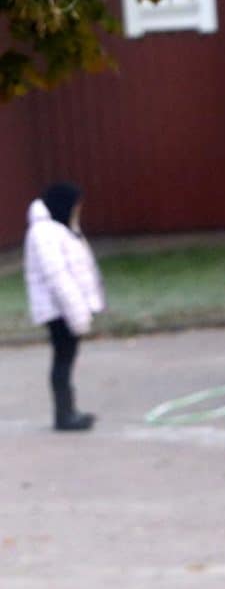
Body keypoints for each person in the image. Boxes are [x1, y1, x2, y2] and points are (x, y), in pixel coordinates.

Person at [23, 182, 104, 432]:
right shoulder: (45, 233)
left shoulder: (62, 229)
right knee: (62, 360)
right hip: (58, 310)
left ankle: (69, 411)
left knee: (66, 360)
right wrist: (77, 314)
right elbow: (58, 277)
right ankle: (64, 415)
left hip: (66, 308)